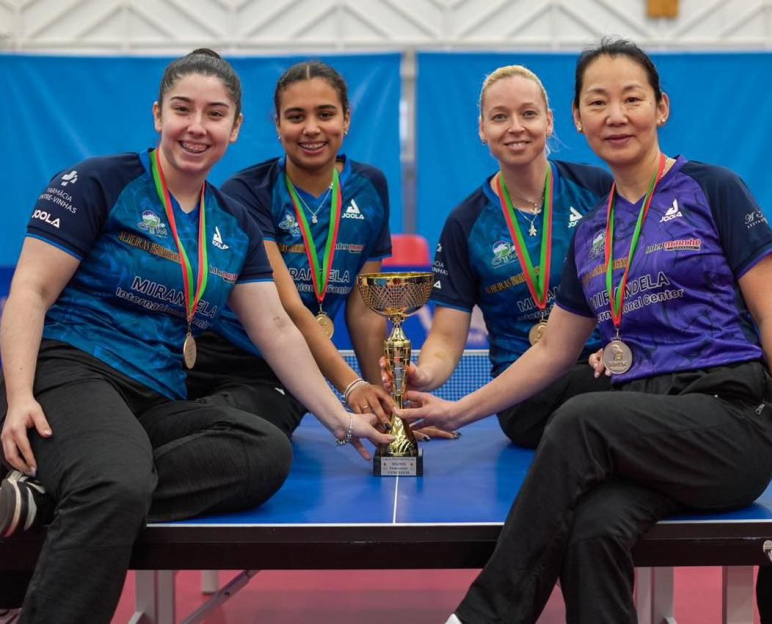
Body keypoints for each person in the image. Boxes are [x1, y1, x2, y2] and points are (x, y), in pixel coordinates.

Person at [398, 38, 772, 624]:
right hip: (649, 420)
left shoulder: (713, 188)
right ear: (580, 120)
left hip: (730, 415)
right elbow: (553, 353)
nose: (616, 115)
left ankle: (484, 616)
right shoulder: (590, 232)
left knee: (581, 417)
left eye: (631, 98)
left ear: (660, 108)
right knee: (591, 531)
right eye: (599, 103)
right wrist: (456, 412)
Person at [0, 49, 391, 624]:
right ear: (158, 114)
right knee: (116, 483)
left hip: (157, 394)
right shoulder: (97, 182)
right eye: (183, 109)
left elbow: (277, 327)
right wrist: (18, 397)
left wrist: (341, 419)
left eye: (215, 114)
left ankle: (56, 494)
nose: (196, 127)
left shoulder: (232, 220)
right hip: (74, 368)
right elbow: (28, 292)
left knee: (264, 451)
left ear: (235, 128)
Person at [188, 60, 450, 440]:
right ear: (277, 125)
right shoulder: (246, 193)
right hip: (217, 355)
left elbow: (364, 310)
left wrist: (387, 407)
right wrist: (351, 387)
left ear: (346, 119)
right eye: (295, 116)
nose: (311, 128)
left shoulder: (369, 187)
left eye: (325, 114)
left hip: (285, 370)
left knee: (253, 430)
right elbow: (287, 308)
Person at [391, 65, 613, 449]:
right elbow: (445, 335)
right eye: (499, 117)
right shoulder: (466, 223)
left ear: (549, 121)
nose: (515, 127)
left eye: (528, 113)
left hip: (604, 366)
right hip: (524, 397)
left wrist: (619, 345)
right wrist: (423, 375)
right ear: (482, 129)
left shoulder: (598, 191)